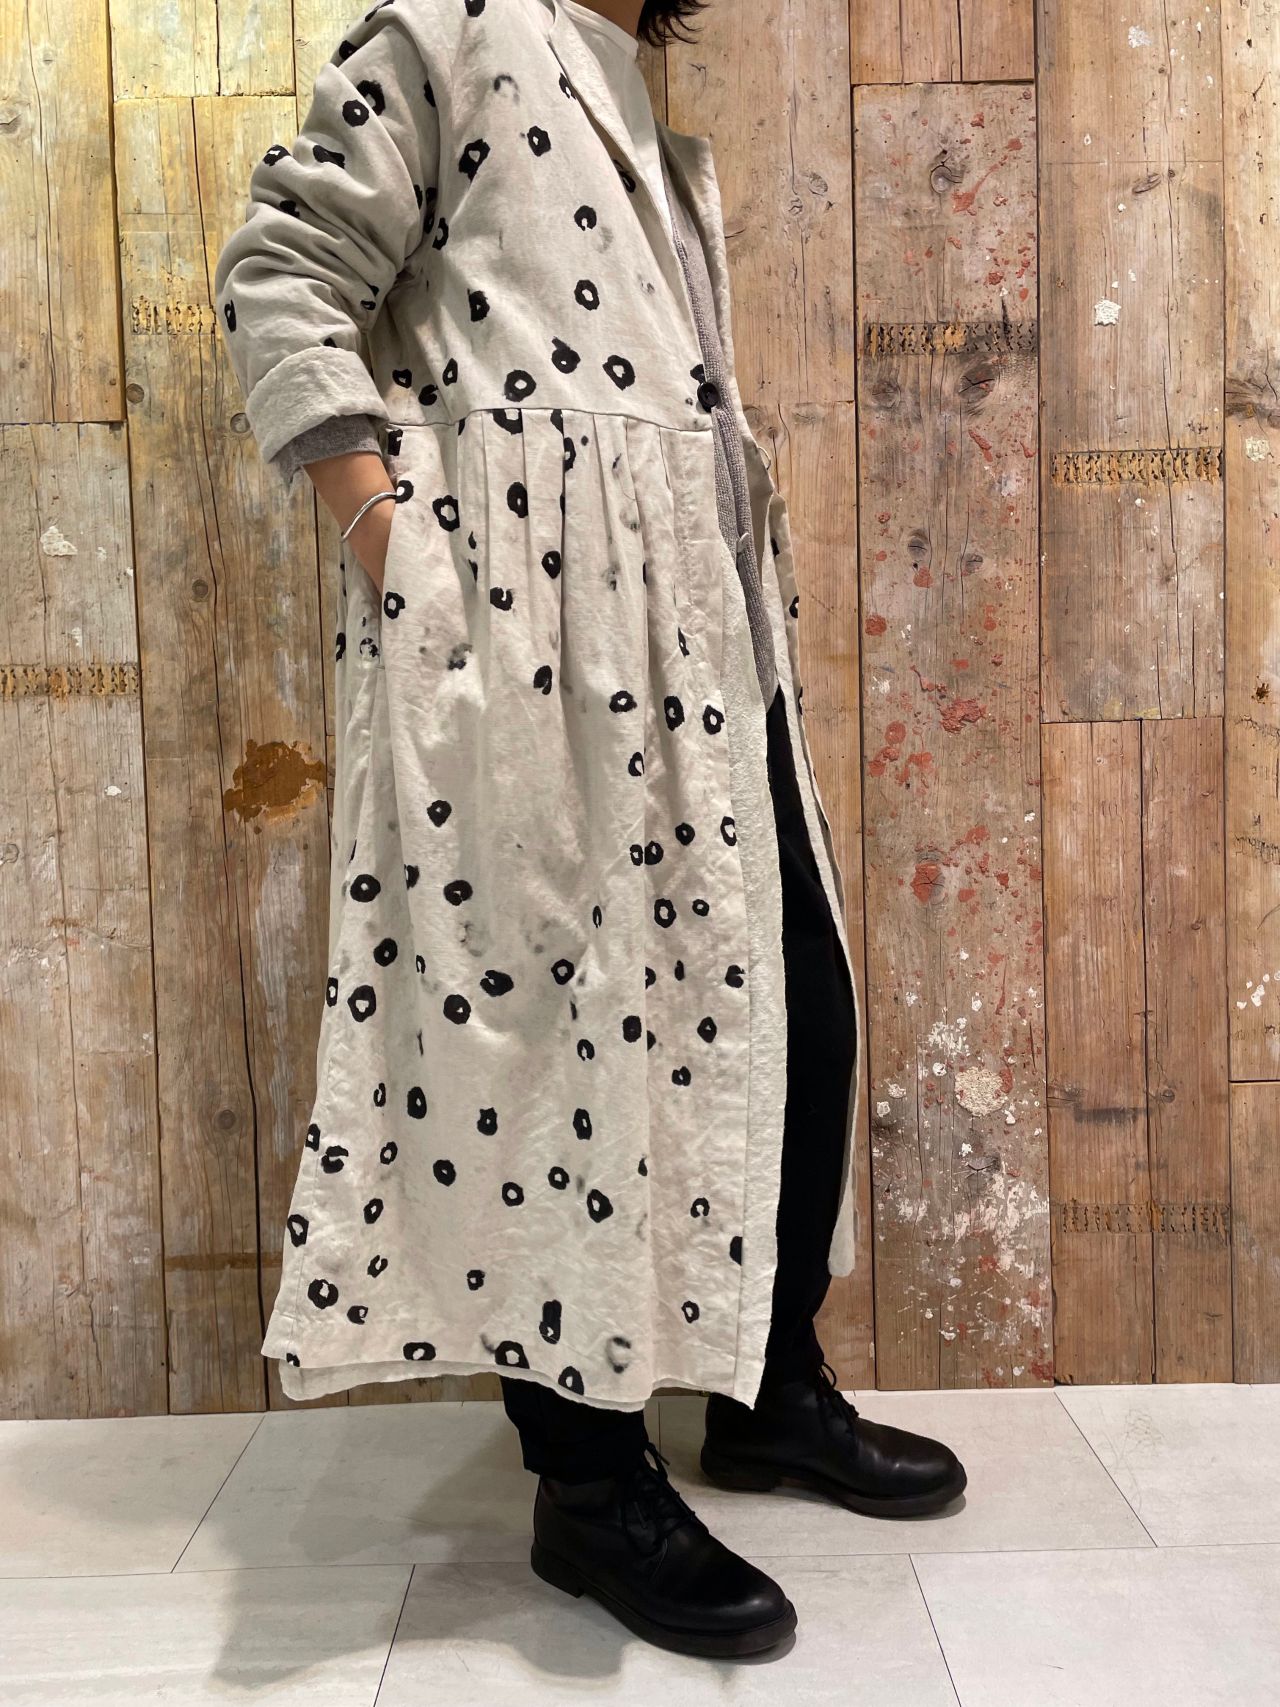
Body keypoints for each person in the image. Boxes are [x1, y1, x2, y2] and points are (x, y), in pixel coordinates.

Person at [214, 0, 966, 1659]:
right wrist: (409, 566)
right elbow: (281, 272)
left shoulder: (636, 101)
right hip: (539, 654)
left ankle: (764, 1390)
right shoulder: (456, 30)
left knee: (791, 1013)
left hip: (701, 660)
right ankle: (587, 1482)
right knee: (561, 1050)